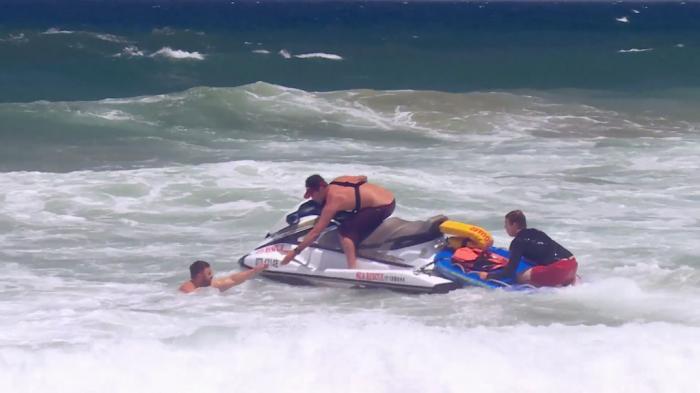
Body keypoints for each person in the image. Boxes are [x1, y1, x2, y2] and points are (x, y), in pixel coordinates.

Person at [280, 174, 395, 269]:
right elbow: (363, 178)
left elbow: (316, 233)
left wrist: (295, 252)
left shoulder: (333, 201)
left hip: (383, 207)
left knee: (345, 230)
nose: (312, 198)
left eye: (312, 194)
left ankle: (352, 269)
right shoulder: (338, 180)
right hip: (389, 197)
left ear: (321, 189)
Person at [478, 210, 577, 287]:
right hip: (572, 264)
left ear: (515, 225)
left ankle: (552, 286)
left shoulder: (518, 241)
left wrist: (488, 276)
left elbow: (509, 272)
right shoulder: (537, 232)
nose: (505, 227)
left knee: (520, 277)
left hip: (559, 269)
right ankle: (568, 281)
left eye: (506, 224)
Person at [179, 260, 267, 293]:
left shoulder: (209, 285)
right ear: (199, 276)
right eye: (208, 274)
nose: (212, 275)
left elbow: (232, 279)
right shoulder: (187, 290)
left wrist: (255, 270)